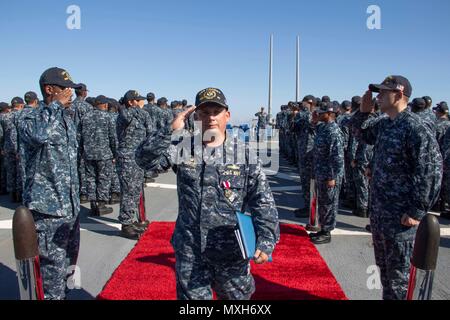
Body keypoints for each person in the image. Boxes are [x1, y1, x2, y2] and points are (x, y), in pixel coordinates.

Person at [135, 87, 279, 300]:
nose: (210, 118)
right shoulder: (183, 148)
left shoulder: (244, 154)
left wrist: (266, 239)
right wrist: (168, 130)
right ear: (195, 117)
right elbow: (144, 160)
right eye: (204, 112)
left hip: (231, 252)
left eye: (216, 111)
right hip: (191, 251)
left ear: (226, 115)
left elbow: (262, 200)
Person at [353, 75, 442, 300]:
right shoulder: (384, 123)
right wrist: (363, 112)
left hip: (401, 218)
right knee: (386, 274)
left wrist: (416, 210)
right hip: (381, 213)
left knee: (400, 278)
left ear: (400, 95)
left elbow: (430, 170)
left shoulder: (415, 127)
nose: (378, 96)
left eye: (383, 92)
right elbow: (361, 133)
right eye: (378, 92)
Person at [19, 67, 82, 300]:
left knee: (68, 263)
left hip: (70, 207)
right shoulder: (30, 117)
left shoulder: (65, 119)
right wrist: (55, 106)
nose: (70, 94)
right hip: (48, 208)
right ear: (49, 89)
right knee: (51, 270)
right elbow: (38, 135)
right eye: (66, 89)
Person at [116, 90, 153, 239]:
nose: (141, 103)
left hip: (137, 157)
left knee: (136, 189)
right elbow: (129, 116)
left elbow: (150, 131)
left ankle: (132, 219)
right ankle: (126, 224)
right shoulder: (127, 114)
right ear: (131, 102)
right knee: (128, 190)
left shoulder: (139, 114)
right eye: (138, 100)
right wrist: (139, 109)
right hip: (127, 157)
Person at [309, 102, 344, 244]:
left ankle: (327, 232)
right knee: (323, 203)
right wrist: (314, 119)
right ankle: (323, 228)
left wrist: (332, 176)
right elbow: (313, 127)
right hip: (321, 172)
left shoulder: (334, 131)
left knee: (329, 203)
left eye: (322, 113)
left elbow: (337, 157)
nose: (319, 114)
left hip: (329, 175)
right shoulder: (323, 128)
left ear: (330, 114)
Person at [80, 95, 117, 216]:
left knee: (90, 179)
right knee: (103, 178)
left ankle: (93, 204)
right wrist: (115, 153)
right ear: (105, 105)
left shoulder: (85, 117)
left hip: (88, 154)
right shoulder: (108, 117)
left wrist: (81, 152)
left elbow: (79, 137)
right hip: (104, 154)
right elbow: (113, 137)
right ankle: (101, 204)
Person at [293, 95, 316, 217]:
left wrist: (297, 113)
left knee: (308, 181)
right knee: (307, 181)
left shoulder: (307, 114)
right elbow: (295, 128)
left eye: (304, 103)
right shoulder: (308, 114)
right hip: (307, 151)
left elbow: (295, 127)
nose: (302, 106)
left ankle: (310, 208)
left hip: (308, 152)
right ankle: (309, 207)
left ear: (310, 103)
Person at [72, 83, 93, 204]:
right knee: (84, 167)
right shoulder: (87, 107)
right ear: (84, 92)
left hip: (71, 140)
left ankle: (76, 191)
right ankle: (83, 193)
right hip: (84, 140)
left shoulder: (69, 105)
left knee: (74, 166)